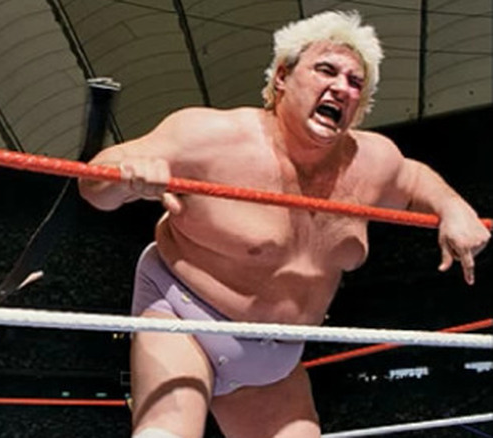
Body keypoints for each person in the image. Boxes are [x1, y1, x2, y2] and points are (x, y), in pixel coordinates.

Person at [79, 10, 490, 438]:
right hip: (183, 315)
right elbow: (95, 185)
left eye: (355, 82)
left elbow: (416, 179)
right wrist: (126, 176)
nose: (341, 87)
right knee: (165, 433)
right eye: (326, 70)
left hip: (277, 355)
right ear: (281, 77)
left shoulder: (372, 161)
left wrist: (454, 207)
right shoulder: (213, 135)